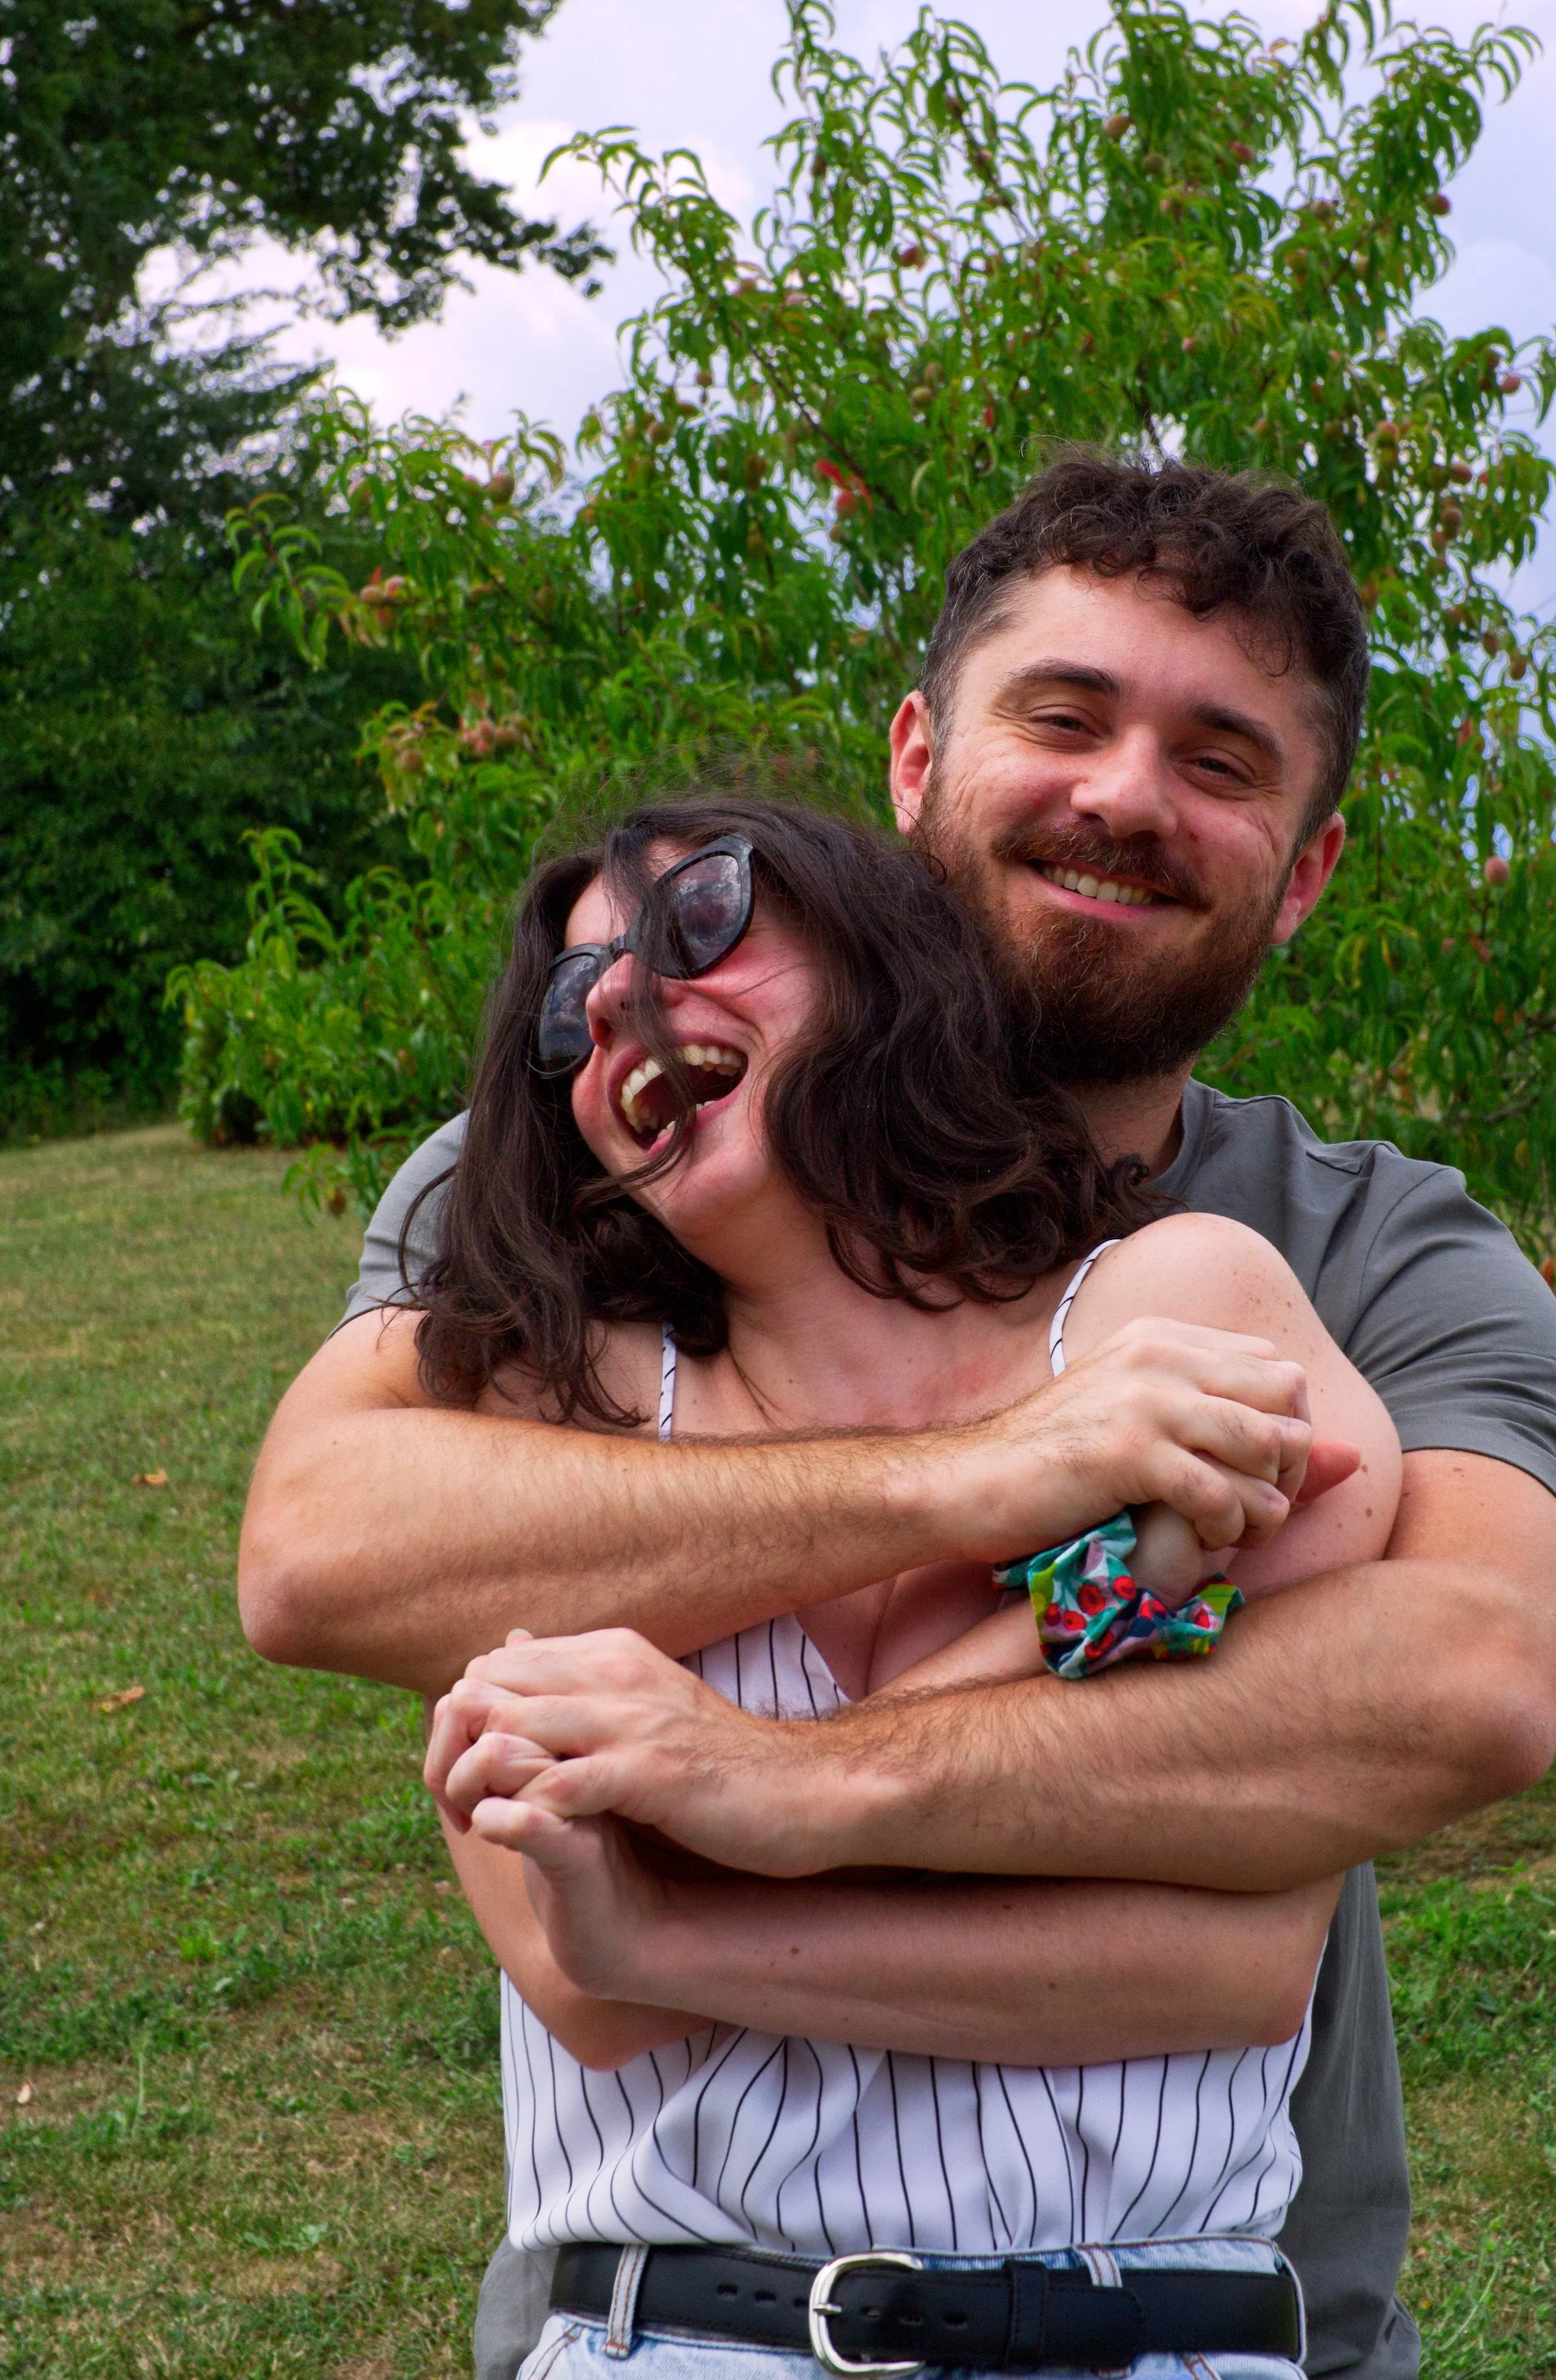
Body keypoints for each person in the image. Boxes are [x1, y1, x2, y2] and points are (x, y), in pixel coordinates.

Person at [242, 453, 1556, 2380]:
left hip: (1193, 2303)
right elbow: (324, 1557)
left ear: (1300, 873)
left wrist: (762, 1791)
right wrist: (1000, 1483)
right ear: (909, 761)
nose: (1122, 795)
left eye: (1217, 760)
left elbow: (1448, 1693)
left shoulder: (1352, 1246)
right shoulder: (538, 1223)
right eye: (1060, 715)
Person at [403, 791, 1402, 2380]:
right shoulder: (550, 1416)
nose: (618, 1006)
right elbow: (579, 1983)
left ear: (880, 959)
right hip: (673, 2342)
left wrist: (770, 1787)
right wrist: (1092, 1595)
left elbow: (1319, 1509)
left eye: (700, 922)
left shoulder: (1150, 1293)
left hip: (1146, 2334)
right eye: (568, 1010)